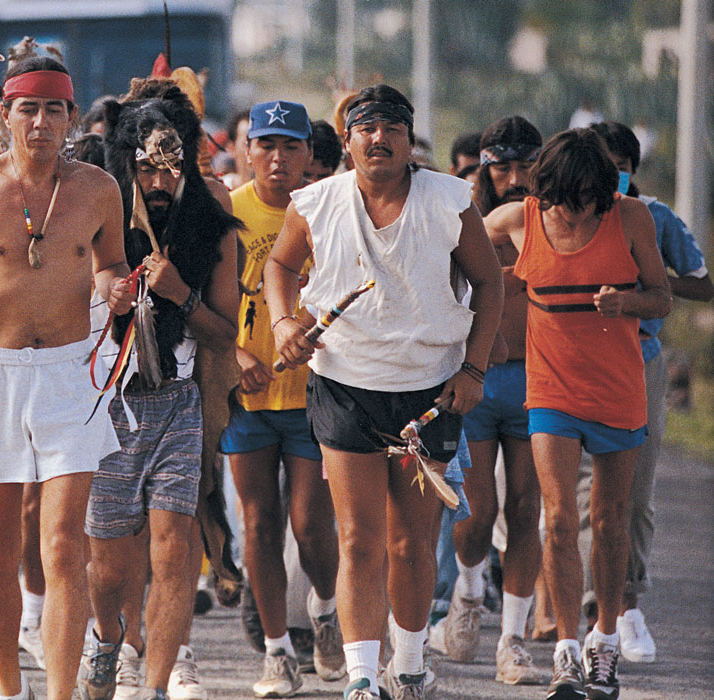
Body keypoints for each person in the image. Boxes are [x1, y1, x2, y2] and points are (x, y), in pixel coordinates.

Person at [265, 84, 503, 700]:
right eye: (366, 128)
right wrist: (284, 322)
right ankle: (362, 679)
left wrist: (474, 370)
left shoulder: (449, 199)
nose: (379, 138)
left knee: (411, 542)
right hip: (345, 385)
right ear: (346, 141)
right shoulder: (315, 202)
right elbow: (279, 266)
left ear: (409, 140)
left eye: (392, 128)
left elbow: (489, 282)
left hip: (430, 391)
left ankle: (412, 664)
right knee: (357, 539)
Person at [0, 56, 135, 700]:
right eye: (29, 109)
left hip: (69, 375)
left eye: (54, 109)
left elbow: (109, 265)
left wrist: (116, 289)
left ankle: (58, 692)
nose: (41, 122)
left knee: (62, 545)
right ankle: (7, 687)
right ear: (6, 115)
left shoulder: (99, 188)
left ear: (72, 118)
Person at [485, 128, 671, 700]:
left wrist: (627, 301)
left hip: (617, 390)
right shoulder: (518, 220)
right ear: (549, 190)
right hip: (552, 392)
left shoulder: (630, 216)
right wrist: (485, 299)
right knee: (560, 519)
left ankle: (604, 642)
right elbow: (455, 251)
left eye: (594, 198)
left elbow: (662, 297)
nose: (583, 211)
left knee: (611, 522)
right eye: (572, 200)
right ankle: (566, 651)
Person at [80, 81, 240, 700]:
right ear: (125, 163)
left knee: (174, 550)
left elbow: (224, 333)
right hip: (107, 405)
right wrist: (108, 294)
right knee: (110, 564)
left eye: (171, 168)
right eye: (146, 168)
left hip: (179, 402)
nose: (158, 181)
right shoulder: (94, 207)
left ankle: (154, 686)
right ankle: (108, 638)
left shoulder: (210, 219)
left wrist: (180, 295)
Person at [574, 121, 712, 663]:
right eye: (599, 168)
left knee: (633, 492)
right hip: (573, 360)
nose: (609, 179)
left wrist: (648, 282)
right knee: (580, 495)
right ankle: (593, 608)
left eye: (619, 169)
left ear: (633, 171)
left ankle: (627, 603)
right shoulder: (565, 213)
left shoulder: (654, 217)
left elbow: (701, 284)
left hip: (639, 359)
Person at [221, 100, 344, 698]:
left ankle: (325, 608)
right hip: (247, 396)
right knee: (258, 522)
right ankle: (276, 653)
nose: (277, 157)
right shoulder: (227, 210)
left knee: (311, 525)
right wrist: (235, 355)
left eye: (290, 146)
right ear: (247, 151)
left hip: (314, 394)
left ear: (308, 154)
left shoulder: (331, 210)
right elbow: (206, 299)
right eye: (265, 144)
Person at [436, 116, 545, 686]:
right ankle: (469, 591)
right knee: (477, 515)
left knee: (526, 510)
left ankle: (513, 639)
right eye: (503, 167)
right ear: (483, 169)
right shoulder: (463, 218)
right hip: (477, 379)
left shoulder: (552, 221)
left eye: (526, 166)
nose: (515, 178)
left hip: (538, 380)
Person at [474, 116, 542, 217]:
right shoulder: (465, 222)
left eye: (525, 167)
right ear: (487, 174)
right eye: (503, 169)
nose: (515, 181)